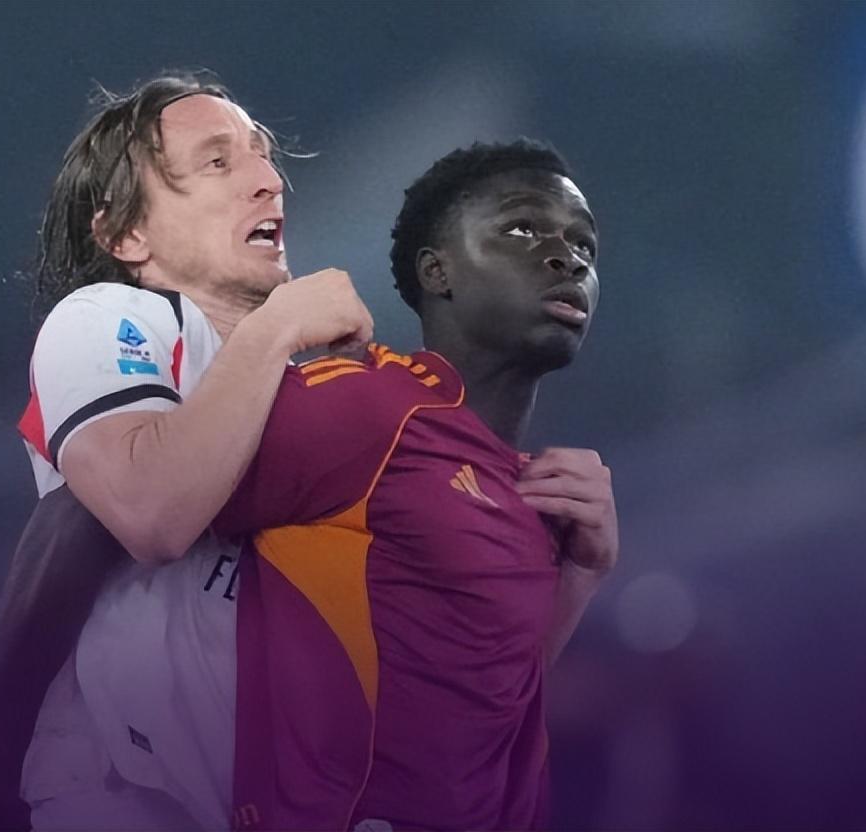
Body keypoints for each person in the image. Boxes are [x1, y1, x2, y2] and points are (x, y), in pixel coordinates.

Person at [0, 72, 372, 832]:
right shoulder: (113, 317)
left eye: (264, 157)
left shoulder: (319, 389)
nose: (268, 180)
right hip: (126, 801)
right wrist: (278, 326)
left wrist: (573, 567)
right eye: (218, 162)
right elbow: (149, 511)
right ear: (125, 236)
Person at [215, 140, 616, 830]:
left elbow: (480, 705)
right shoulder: (363, 405)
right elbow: (128, 519)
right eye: (523, 229)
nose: (567, 258)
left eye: (584, 244)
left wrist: (582, 573)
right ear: (438, 271)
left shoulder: (532, 493)